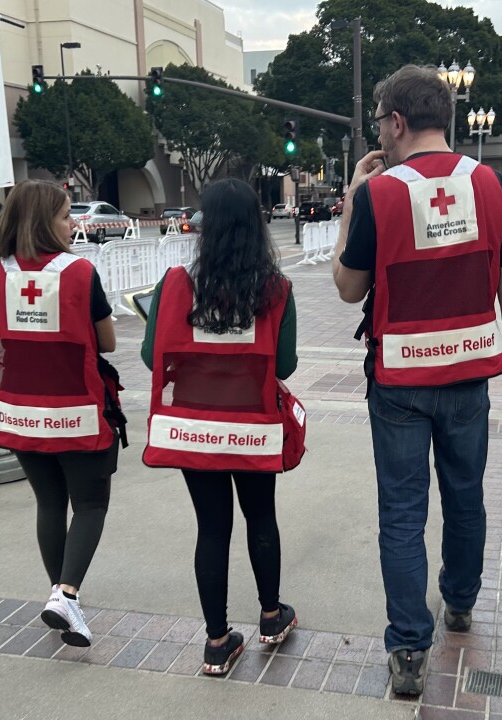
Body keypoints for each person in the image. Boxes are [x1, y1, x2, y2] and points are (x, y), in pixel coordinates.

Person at [331, 65, 502, 696]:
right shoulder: (493, 186)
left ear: (397, 121)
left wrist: (350, 203)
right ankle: (460, 602)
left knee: (401, 512)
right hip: (468, 374)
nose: (381, 138)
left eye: (381, 126)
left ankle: (408, 650)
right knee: (465, 495)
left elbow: (348, 290)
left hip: (398, 379)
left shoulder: (379, 194)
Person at [141, 178, 299, 676]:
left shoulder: (175, 285)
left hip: (194, 429)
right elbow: (286, 364)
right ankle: (272, 617)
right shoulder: (275, 288)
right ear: (257, 224)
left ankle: (217, 643)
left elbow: (152, 356)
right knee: (261, 518)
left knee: (212, 528)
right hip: (251, 427)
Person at [0, 179, 118, 648]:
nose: (72, 223)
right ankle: (65, 593)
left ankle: (62, 601)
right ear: (44, 221)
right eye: (65, 216)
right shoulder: (79, 272)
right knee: (91, 504)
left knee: (49, 502)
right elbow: (107, 342)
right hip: (75, 411)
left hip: (17, 410)